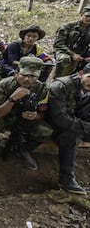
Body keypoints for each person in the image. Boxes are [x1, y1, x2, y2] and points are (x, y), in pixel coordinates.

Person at [0, 57, 52, 171]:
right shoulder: (4, 85)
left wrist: (35, 116)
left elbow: (43, 112)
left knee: (45, 130)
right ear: (17, 73)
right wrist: (12, 99)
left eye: (32, 76)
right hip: (5, 116)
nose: (27, 79)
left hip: (25, 120)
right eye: (24, 75)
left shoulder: (41, 89)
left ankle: (24, 150)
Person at [48, 63, 90, 195]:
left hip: (77, 122)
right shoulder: (61, 86)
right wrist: (86, 127)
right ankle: (66, 178)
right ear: (81, 74)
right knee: (71, 136)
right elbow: (59, 118)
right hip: (54, 125)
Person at [53, 6, 90, 77]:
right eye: (87, 16)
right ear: (82, 15)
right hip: (64, 51)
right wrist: (73, 54)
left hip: (81, 52)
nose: (89, 18)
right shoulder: (68, 27)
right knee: (64, 59)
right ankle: (57, 79)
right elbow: (58, 44)